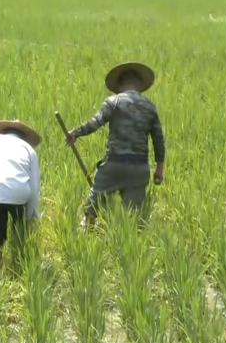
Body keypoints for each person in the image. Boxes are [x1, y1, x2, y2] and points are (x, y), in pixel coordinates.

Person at [65, 62, 165, 228]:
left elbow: (96, 122)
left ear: (120, 85)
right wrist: (159, 169)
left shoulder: (113, 102)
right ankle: (128, 247)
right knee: (133, 221)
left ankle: (87, 233)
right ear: (139, 85)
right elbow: (158, 140)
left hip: (114, 166)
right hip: (138, 169)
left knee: (92, 209)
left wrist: (75, 133)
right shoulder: (150, 107)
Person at [0, 120, 42, 281]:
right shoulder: (29, 149)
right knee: (19, 229)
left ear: (3, 131)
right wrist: (31, 213)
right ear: (24, 137)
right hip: (19, 193)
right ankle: (18, 269)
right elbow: (34, 186)